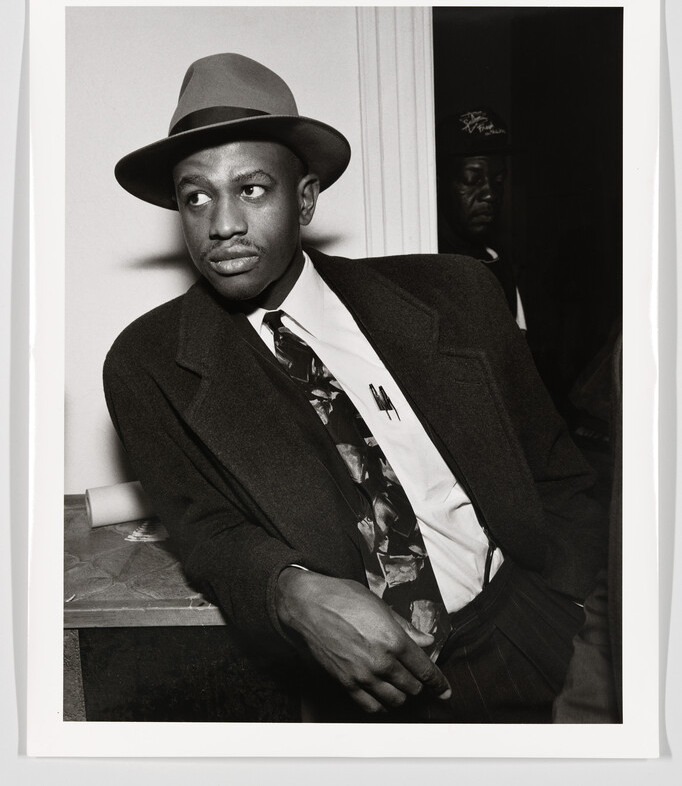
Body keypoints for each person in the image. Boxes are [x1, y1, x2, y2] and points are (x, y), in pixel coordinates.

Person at [105, 53, 606, 723]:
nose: (221, 223)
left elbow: (559, 472)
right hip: (367, 693)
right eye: (196, 196)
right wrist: (289, 591)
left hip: (532, 632)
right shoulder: (150, 363)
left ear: (306, 197)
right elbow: (206, 529)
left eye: (252, 188)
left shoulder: (455, 294)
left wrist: (581, 624)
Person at [436, 107, 525, 327]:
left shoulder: (498, 261)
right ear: (438, 183)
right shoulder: (425, 258)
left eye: (498, 179)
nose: (490, 194)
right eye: (472, 179)